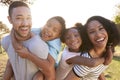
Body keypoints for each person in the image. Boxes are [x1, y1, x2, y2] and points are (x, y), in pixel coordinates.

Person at [1, 1, 49, 80]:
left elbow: (49, 74)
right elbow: (12, 62)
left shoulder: (37, 45)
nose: (25, 23)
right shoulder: (5, 42)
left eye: (28, 18)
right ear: (10, 19)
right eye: (19, 18)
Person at [64, 16, 120, 80]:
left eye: (101, 28)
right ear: (87, 37)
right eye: (92, 32)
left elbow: (98, 71)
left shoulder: (108, 48)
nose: (98, 34)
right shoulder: (86, 61)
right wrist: (105, 59)